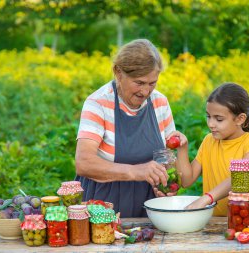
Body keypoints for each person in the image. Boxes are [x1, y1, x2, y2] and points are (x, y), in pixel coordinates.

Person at [75, 39, 176, 218]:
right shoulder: (98, 103)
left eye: (152, 83)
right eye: (139, 82)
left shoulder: (160, 102)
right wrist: (137, 171)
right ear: (118, 72)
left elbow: (167, 157)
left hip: (149, 209)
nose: (145, 91)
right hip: (103, 208)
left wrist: (165, 183)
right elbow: (84, 163)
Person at [171, 83, 249, 216]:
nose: (211, 124)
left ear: (240, 119)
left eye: (219, 119)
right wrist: (182, 149)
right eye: (208, 116)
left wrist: (207, 198)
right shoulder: (209, 141)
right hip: (214, 223)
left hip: (246, 222)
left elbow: (240, 178)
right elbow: (187, 181)